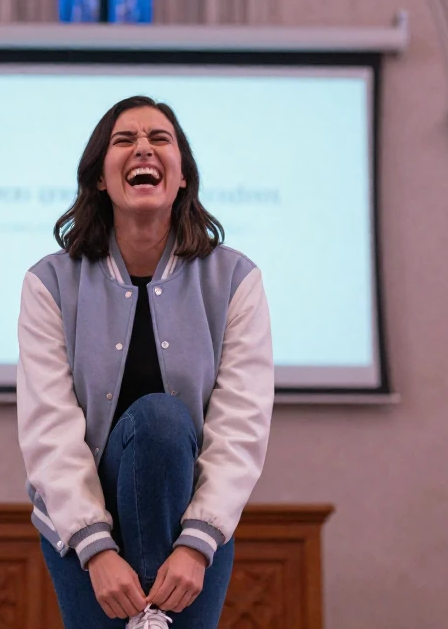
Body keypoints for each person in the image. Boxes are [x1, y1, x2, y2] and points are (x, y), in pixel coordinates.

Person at [16, 95, 274, 628]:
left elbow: (240, 425)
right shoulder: (49, 283)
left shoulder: (236, 279)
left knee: (162, 419)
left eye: (160, 139)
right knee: (156, 418)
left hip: (192, 520)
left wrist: (196, 545)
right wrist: (97, 548)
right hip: (80, 525)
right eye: (124, 140)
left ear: (182, 177)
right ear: (99, 180)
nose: (143, 149)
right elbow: (49, 426)